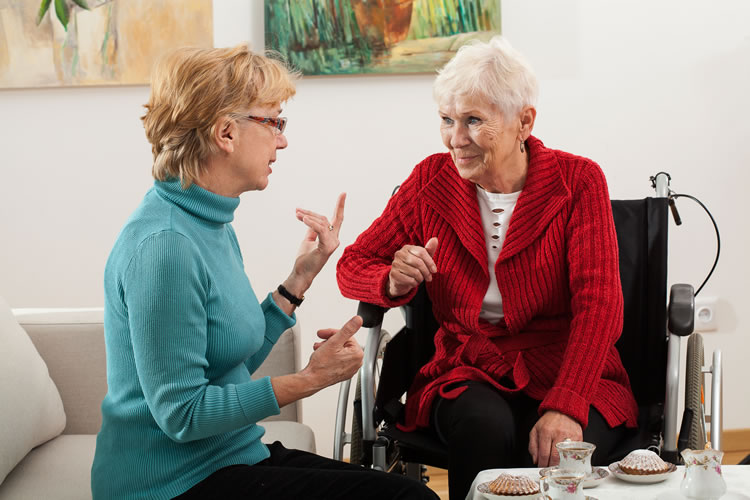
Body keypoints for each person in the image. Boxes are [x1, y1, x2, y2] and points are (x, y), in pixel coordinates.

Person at [91, 45, 438, 500]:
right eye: (274, 122)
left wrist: (297, 283)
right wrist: (311, 379)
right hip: (170, 485)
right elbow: (182, 415)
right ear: (225, 133)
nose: (283, 139)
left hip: (228, 459)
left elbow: (226, 365)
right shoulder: (166, 247)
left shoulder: (207, 222)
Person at [337, 36, 638, 499]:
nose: (456, 139)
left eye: (474, 120)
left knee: (570, 451)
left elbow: (599, 304)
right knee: (482, 427)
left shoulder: (579, 181)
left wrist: (567, 404)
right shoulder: (430, 181)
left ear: (524, 121)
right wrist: (391, 280)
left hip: (568, 365)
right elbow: (353, 263)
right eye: (447, 120)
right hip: (469, 366)